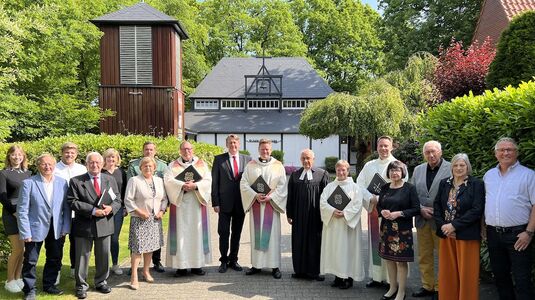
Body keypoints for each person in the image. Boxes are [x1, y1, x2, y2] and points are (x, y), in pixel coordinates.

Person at [484, 137, 535, 300]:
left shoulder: (529, 175)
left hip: (519, 234)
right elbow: (485, 202)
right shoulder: (489, 175)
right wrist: (482, 227)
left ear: (516, 153)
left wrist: (529, 232)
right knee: (500, 277)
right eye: (501, 150)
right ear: (495, 153)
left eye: (509, 149)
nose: (505, 152)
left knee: (522, 279)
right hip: (493, 234)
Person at [68, 152, 122, 299]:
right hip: (84, 224)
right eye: (91, 162)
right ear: (87, 164)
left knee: (104, 255)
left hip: (105, 223)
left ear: (102, 164)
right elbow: (72, 202)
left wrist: (111, 208)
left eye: (98, 162)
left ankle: (101, 282)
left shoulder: (110, 179)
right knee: (82, 257)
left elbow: (117, 199)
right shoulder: (76, 181)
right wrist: (92, 211)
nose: (95, 165)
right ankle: (81, 286)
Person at [17, 154, 71, 299]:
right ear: (38, 165)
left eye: (50, 164)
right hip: (34, 228)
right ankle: (29, 289)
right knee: (30, 260)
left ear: (54, 165)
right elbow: (22, 210)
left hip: (56, 229)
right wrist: (25, 232)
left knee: (54, 258)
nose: (47, 167)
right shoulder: (29, 183)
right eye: (44, 164)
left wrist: (65, 228)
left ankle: (49, 285)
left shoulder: (62, 182)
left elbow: (66, 208)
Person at [356, 136, 406, 288]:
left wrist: (381, 198)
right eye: (381, 146)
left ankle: (392, 280)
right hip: (374, 211)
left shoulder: (398, 165)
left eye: (386, 146)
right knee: (376, 244)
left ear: (391, 147)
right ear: (377, 147)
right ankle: (377, 277)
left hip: (392, 213)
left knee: (392, 244)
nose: (383, 149)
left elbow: (404, 186)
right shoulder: (369, 165)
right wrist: (370, 197)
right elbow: (360, 184)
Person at [433, 153, 485, 300]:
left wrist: (454, 226)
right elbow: (437, 205)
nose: (458, 168)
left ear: (468, 167)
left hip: (467, 235)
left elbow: (476, 210)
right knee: (447, 272)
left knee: (467, 274)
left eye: (462, 165)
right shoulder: (445, 183)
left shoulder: (476, 184)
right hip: (446, 234)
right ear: (451, 168)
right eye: (455, 165)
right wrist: (444, 226)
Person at [240, 139, 287, 279]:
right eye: (262, 149)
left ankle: (274, 266)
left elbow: (282, 186)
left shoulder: (278, 166)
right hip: (256, 206)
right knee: (256, 237)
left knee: (272, 238)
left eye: (267, 149)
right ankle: (256, 265)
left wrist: (270, 198)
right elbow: (243, 183)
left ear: (271, 150)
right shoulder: (251, 165)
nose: (265, 151)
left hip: (271, 207)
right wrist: (255, 195)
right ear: (258, 150)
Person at [164, 141, 212, 277]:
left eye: (189, 149)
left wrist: (196, 186)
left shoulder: (202, 165)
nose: (187, 151)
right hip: (179, 206)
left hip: (197, 204)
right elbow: (168, 181)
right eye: (184, 149)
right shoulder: (172, 166)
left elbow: (208, 181)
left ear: (193, 150)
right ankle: (181, 267)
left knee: (196, 233)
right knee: (181, 234)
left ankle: (197, 266)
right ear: (180, 151)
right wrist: (182, 185)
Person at [410, 141, 451, 298]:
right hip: (422, 219)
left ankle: (442, 287)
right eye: (427, 152)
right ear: (423, 154)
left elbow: (456, 191)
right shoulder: (418, 170)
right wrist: (420, 208)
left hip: (442, 220)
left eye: (433, 151)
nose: (431, 155)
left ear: (440, 152)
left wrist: (439, 211)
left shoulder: (451, 168)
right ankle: (427, 286)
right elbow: (412, 193)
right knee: (424, 255)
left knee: (443, 256)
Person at [319, 160, 369, 289]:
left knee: (348, 251)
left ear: (348, 171)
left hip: (348, 227)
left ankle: (348, 278)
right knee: (335, 251)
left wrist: (345, 213)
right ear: (335, 171)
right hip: (333, 225)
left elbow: (357, 205)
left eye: (343, 170)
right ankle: (337, 277)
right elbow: (323, 203)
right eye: (338, 170)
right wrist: (332, 211)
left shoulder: (355, 188)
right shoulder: (329, 187)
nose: (341, 172)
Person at [377, 161, 420, 300]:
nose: (394, 173)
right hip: (386, 229)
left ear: (402, 172)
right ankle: (392, 287)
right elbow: (379, 206)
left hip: (402, 230)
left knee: (401, 261)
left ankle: (401, 291)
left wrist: (399, 213)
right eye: (392, 170)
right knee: (389, 260)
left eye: (397, 170)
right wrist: (382, 211)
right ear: (388, 173)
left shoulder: (409, 188)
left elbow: (416, 209)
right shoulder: (384, 187)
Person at [124, 157, 167, 290]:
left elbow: (164, 198)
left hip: (154, 220)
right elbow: (128, 200)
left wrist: (162, 210)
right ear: (140, 168)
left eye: (150, 166)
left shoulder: (159, 181)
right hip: (140, 219)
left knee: (150, 248)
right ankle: (134, 276)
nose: (148, 168)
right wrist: (139, 212)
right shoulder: (134, 180)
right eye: (145, 166)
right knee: (138, 249)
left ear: (154, 168)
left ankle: (146, 271)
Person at [287, 149, 329, 280]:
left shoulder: (322, 174)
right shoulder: (294, 175)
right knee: (298, 241)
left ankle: (314, 272)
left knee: (314, 242)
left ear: (313, 159)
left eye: (308, 158)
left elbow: (327, 197)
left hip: (315, 216)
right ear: (300, 160)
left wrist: (325, 215)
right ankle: (299, 271)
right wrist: (289, 213)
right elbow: (291, 196)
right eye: (303, 158)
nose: (306, 161)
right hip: (298, 216)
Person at [211, 134, 251, 273]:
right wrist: (215, 202)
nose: (233, 145)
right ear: (226, 144)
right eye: (230, 143)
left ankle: (234, 259)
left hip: (241, 203)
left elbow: (251, 181)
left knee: (237, 233)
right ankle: (223, 260)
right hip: (224, 204)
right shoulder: (219, 159)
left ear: (238, 144)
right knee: (223, 233)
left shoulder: (248, 160)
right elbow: (214, 182)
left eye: (235, 143)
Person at [0, 145, 31, 293]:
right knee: (17, 249)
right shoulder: (3, 173)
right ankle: (9, 280)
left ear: (23, 156)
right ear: (9, 156)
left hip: (25, 214)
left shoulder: (28, 173)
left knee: (23, 249)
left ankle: (18, 277)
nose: (16, 157)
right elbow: (2, 196)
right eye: (13, 154)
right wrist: (14, 212)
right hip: (11, 214)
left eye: (19, 154)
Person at [54, 142, 87, 280]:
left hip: (77, 213)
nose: (69, 155)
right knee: (57, 244)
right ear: (62, 153)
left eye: (72, 153)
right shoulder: (54, 168)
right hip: (59, 214)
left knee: (76, 242)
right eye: (67, 152)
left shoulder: (82, 169)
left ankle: (74, 268)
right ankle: (56, 270)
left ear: (76, 154)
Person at [102, 148, 127, 275]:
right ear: (104, 159)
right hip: (103, 209)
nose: (111, 160)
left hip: (118, 210)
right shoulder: (100, 172)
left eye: (113, 157)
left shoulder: (121, 172)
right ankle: (103, 266)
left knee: (114, 238)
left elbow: (125, 191)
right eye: (108, 157)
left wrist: (125, 207)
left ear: (117, 159)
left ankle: (115, 264)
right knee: (103, 238)